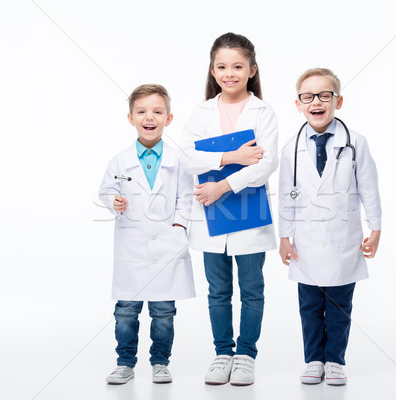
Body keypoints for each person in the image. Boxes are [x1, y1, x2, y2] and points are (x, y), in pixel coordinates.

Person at [180, 32, 278, 386]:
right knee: (218, 290)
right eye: (221, 66)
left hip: (248, 213)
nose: (229, 73)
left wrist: (222, 184)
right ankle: (223, 352)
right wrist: (233, 157)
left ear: (252, 70)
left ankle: (246, 355)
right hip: (210, 217)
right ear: (212, 69)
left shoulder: (263, 112)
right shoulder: (200, 112)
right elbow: (187, 158)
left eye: (237, 66)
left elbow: (267, 164)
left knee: (252, 289)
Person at [277, 68, 382, 386]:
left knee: (339, 307)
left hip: (342, 240)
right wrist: (284, 235)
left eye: (325, 95)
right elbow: (286, 195)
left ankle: (335, 360)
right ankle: (313, 360)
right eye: (308, 96)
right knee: (309, 306)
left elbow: (369, 189)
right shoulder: (290, 149)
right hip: (305, 242)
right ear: (298, 104)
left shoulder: (356, 143)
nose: (316, 102)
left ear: (338, 100)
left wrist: (375, 229)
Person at [98, 84, 195, 385]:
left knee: (164, 311)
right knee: (126, 310)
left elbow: (187, 197)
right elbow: (106, 191)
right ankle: (125, 362)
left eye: (157, 111)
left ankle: (160, 362)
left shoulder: (180, 160)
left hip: (168, 245)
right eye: (141, 111)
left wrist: (179, 228)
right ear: (130, 118)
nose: (149, 117)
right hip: (132, 248)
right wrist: (114, 202)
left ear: (169, 118)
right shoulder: (119, 160)